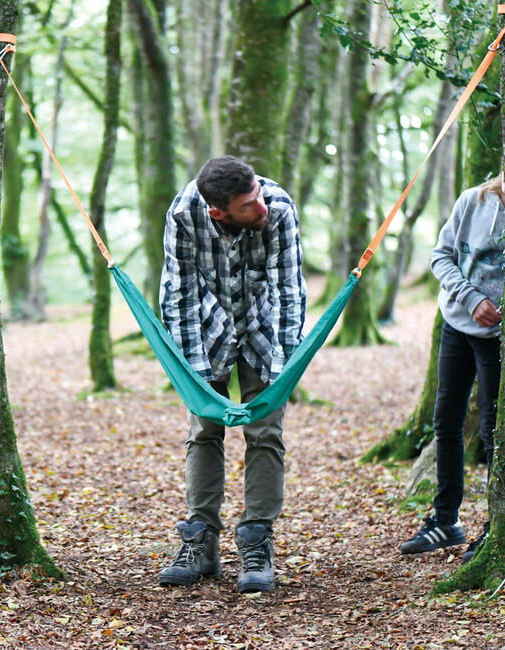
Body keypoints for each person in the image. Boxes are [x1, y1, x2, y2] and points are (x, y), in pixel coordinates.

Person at [158, 156, 307, 593]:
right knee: (204, 428)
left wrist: (281, 373)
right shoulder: (184, 214)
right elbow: (178, 294)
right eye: (248, 205)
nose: (260, 207)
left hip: (264, 324)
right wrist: (199, 381)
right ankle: (200, 540)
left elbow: (289, 290)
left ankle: (256, 538)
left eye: (257, 195)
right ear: (218, 212)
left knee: (265, 430)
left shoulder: (276, 206)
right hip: (208, 326)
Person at [400, 174, 505, 560]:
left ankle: (501, 527)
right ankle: (446, 520)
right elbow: (440, 256)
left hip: (500, 338)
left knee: (496, 429)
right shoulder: (472, 201)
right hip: (457, 324)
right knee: (446, 421)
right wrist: (471, 297)